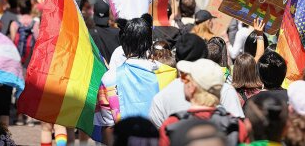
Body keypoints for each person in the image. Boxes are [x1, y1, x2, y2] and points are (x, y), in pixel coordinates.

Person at [95, 14, 177, 145]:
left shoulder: (109, 79)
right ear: (149, 43)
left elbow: (108, 128)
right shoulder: (169, 73)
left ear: (123, 42)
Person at [149, 33, 244, 128]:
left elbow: (159, 137)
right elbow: (238, 129)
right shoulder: (224, 89)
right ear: (206, 56)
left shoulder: (161, 97)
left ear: (176, 59)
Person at [159, 59, 248, 146]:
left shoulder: (171, 124)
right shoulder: (236, 125)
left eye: (185, 79)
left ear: (192, 88)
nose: (182, 81)